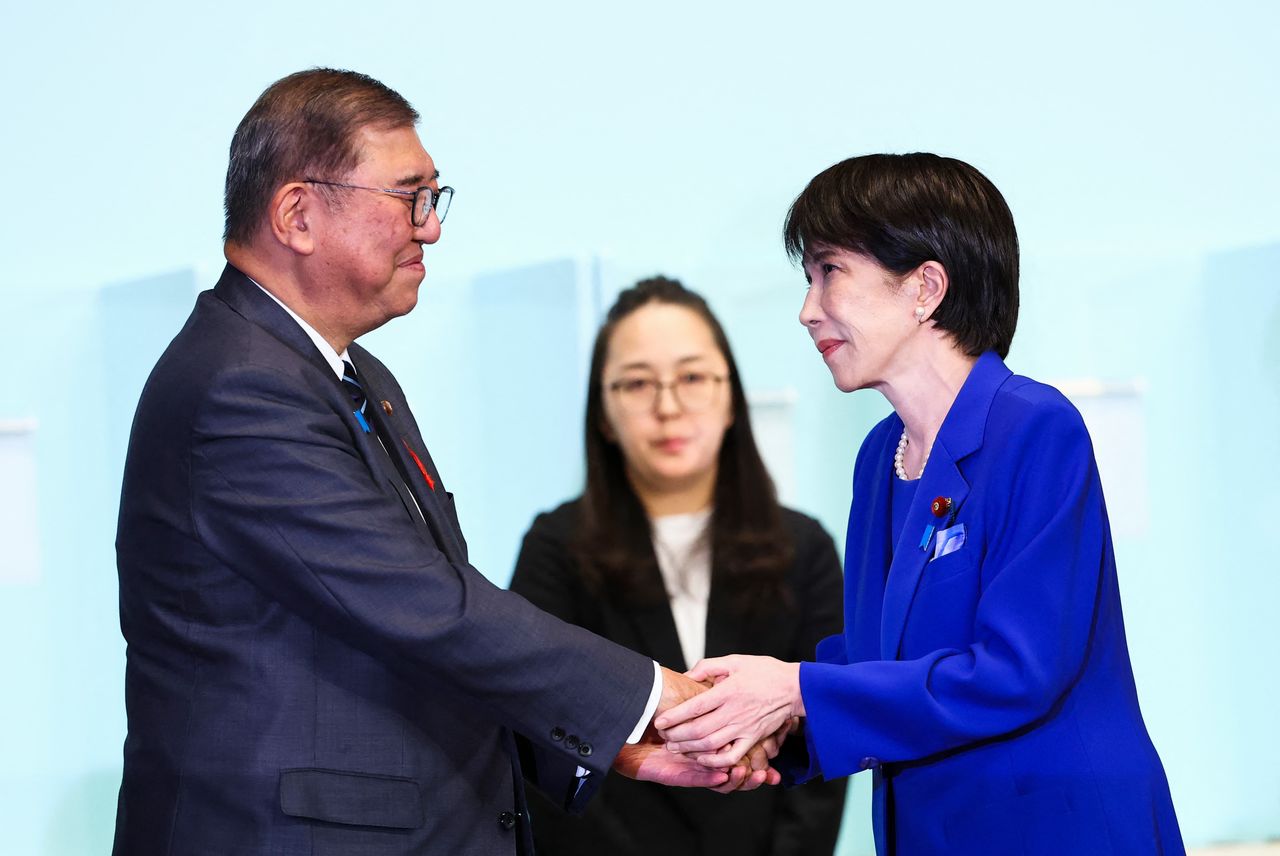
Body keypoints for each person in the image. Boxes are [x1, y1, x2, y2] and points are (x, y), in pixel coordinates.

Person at [112, 68, 774, 856]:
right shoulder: (241, 386)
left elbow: (411, 627)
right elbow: (424, 606)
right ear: (297, 215)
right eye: (409, 197)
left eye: (434, 198)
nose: (429, 229)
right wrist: (653, 699)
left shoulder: (351, 375)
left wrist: (614, 741)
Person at [655, 154, 1185, 854]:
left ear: (925, 288)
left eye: (830, 271)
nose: (807, 310)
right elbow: (874, 659)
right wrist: (758, 726)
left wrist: (796, 690)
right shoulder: (882, 456)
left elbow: (1015, 673)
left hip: (1059, 829)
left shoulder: (1035, 428)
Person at [510, 276, 848, 856]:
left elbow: (822, 747)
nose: (667, 408)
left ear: (731, 398)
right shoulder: (556, 547)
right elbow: (538, 734)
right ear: (604, 413)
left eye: (692, 378)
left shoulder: (805, 548)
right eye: (637, 383)